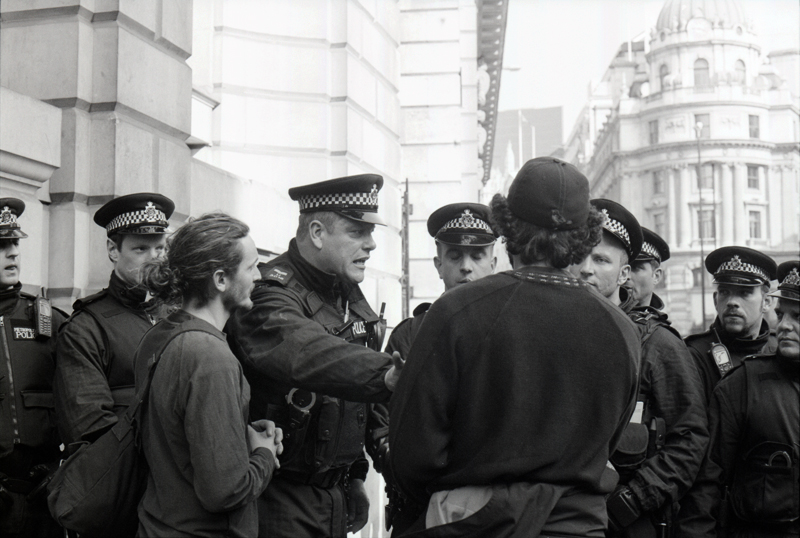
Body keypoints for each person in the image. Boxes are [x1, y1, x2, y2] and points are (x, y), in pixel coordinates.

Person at [389, 157, 641, 537]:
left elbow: (413, 449)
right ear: (586, 235)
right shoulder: (621, 328)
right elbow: (611, 437)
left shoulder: (457, 311)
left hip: (472, 522)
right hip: (575, 526)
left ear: (507, 226)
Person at [226, 174, 402, 538]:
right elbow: (309, 353)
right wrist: (386, 375)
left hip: (331, 493)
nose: (370, 245)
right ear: (318, 232)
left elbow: (346, 397)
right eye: (357, 232)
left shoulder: (344, 289)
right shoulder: (269, 294)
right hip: (278, 497)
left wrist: (354, 475)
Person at [134, 213, 282, 537]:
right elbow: (225, 492)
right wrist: (264, 455)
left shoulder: (159, 335)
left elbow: (175, 434)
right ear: (220, 280)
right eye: (251, 266)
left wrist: (241, 435)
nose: (259, 276)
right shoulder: (211, 358)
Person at [571, 199, 708, 537]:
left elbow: (690, 438)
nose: (586, 268)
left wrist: (632, 501)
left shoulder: (658, 346)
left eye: (601, 259)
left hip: (627, 520)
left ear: (624, 273)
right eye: (579, 256)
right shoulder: (554, 332)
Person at [373, 202, 498, 534]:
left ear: (494, 262)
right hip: (417, 510)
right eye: (455, 256)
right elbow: (380, 421)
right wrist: (404, 472)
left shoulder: (511, 335)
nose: (466, 268)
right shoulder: (410, 335)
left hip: (491, 513)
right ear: (438, 263)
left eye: (477, 256)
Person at [686, 260, 799, 537]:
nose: (784, 325)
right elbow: (707, 486)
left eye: (798, 317)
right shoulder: (741, 384)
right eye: (782, 314)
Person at [53, 193, 174, 450]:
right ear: (112, 250)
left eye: (160, 248)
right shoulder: (86, 329)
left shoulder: (179, 314)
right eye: (140, 248)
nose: (154, 258)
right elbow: (91, 429)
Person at [0, 198, 66, 538]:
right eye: (1, 245)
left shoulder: (45, 319)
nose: (13, 253)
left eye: (14, 243)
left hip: (42, 494)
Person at [684, 245, 778, 403]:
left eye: (744, 293)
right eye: (724, 292)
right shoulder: (693, 354)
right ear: (715, 300)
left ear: (766, 302)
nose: (732, 302)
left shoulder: (779, 349)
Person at [628, 227, 674, 321]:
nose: (626, 276)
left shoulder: (661, 333)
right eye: (623, 267)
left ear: (656, 276)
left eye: (636, 268)